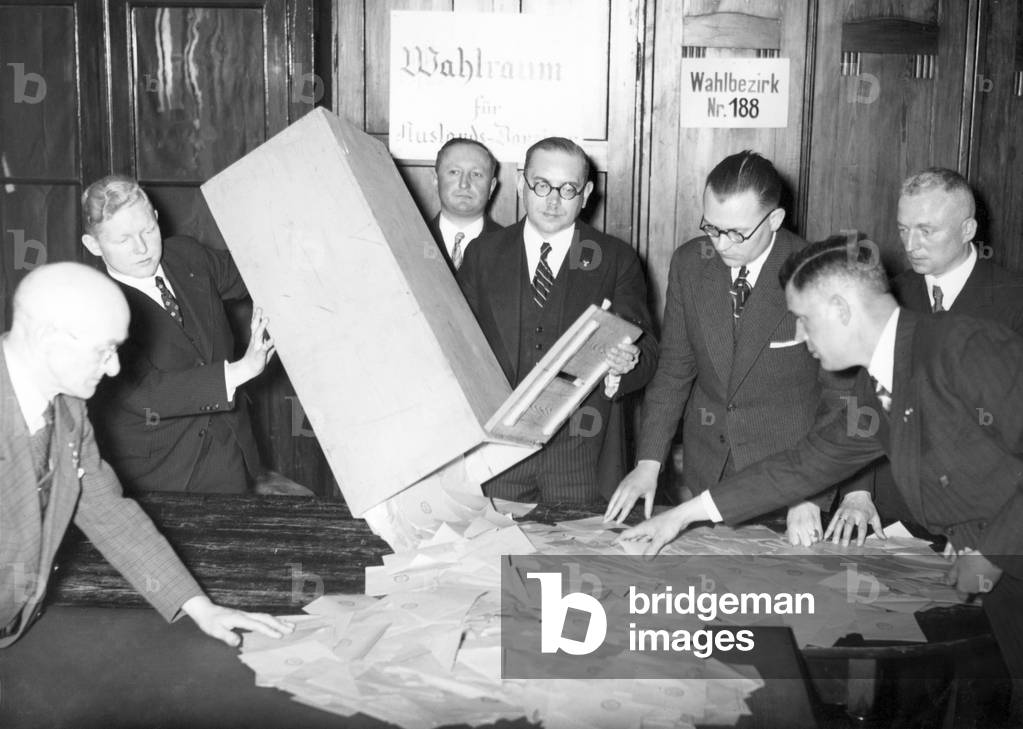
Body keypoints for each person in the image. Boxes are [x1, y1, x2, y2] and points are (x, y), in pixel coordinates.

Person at [619, 237, 1023, 681]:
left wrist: (990, 554)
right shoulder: (877, 386)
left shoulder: (964, 346)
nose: (800, 338)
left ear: (842, 309)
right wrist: (682, 516)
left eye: (804, 321)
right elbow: (806, 464)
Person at [0, 262, 293, 648]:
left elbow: (107, 511)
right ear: (45, 338)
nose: (116, 367)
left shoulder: (68, 408)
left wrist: (198, 606)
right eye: (104, 351)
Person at [605, 151, 869, 546]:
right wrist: (648, 463)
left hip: (790, 481)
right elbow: (676, 369)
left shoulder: (819, 275)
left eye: (736, 233)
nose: (721, 244)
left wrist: (810, 492)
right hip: (707, 472)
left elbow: (840, 398)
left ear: (775, 220)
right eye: (712, 227)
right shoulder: (691, 263)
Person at [80, 175, 310, 496]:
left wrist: (303, 244)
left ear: (157, 218)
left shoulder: (186, 255)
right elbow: (147, 394)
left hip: (233, 451)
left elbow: (252, 272)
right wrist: (243, 369)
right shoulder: (93, 305)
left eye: (148, 230)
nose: (143, 248)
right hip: (164, 474)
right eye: (123, 240)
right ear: (93, 245)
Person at [458, 136, 657, 503]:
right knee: (493, 555)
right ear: (521, 183)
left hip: (582, 454)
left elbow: (648, 352)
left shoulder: (616, 259)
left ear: (586, 193)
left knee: (576, 558)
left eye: (568, 189)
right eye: (541, 185)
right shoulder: (482, 254)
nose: (552, 200)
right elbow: (457, 348)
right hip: (499, 453)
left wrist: (624, 365)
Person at [893, 167, 1023, 332]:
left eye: (926, 231)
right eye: (903, 230)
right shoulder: (891, 297)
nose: (910, 246)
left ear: (967, 230)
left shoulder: (1016, 301)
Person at [427, 138, 502, 271]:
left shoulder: (515, 248)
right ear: (435, 180)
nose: (464, 184)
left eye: (476, 174)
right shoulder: (411, 241)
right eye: (454, 172)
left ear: (491, 186)